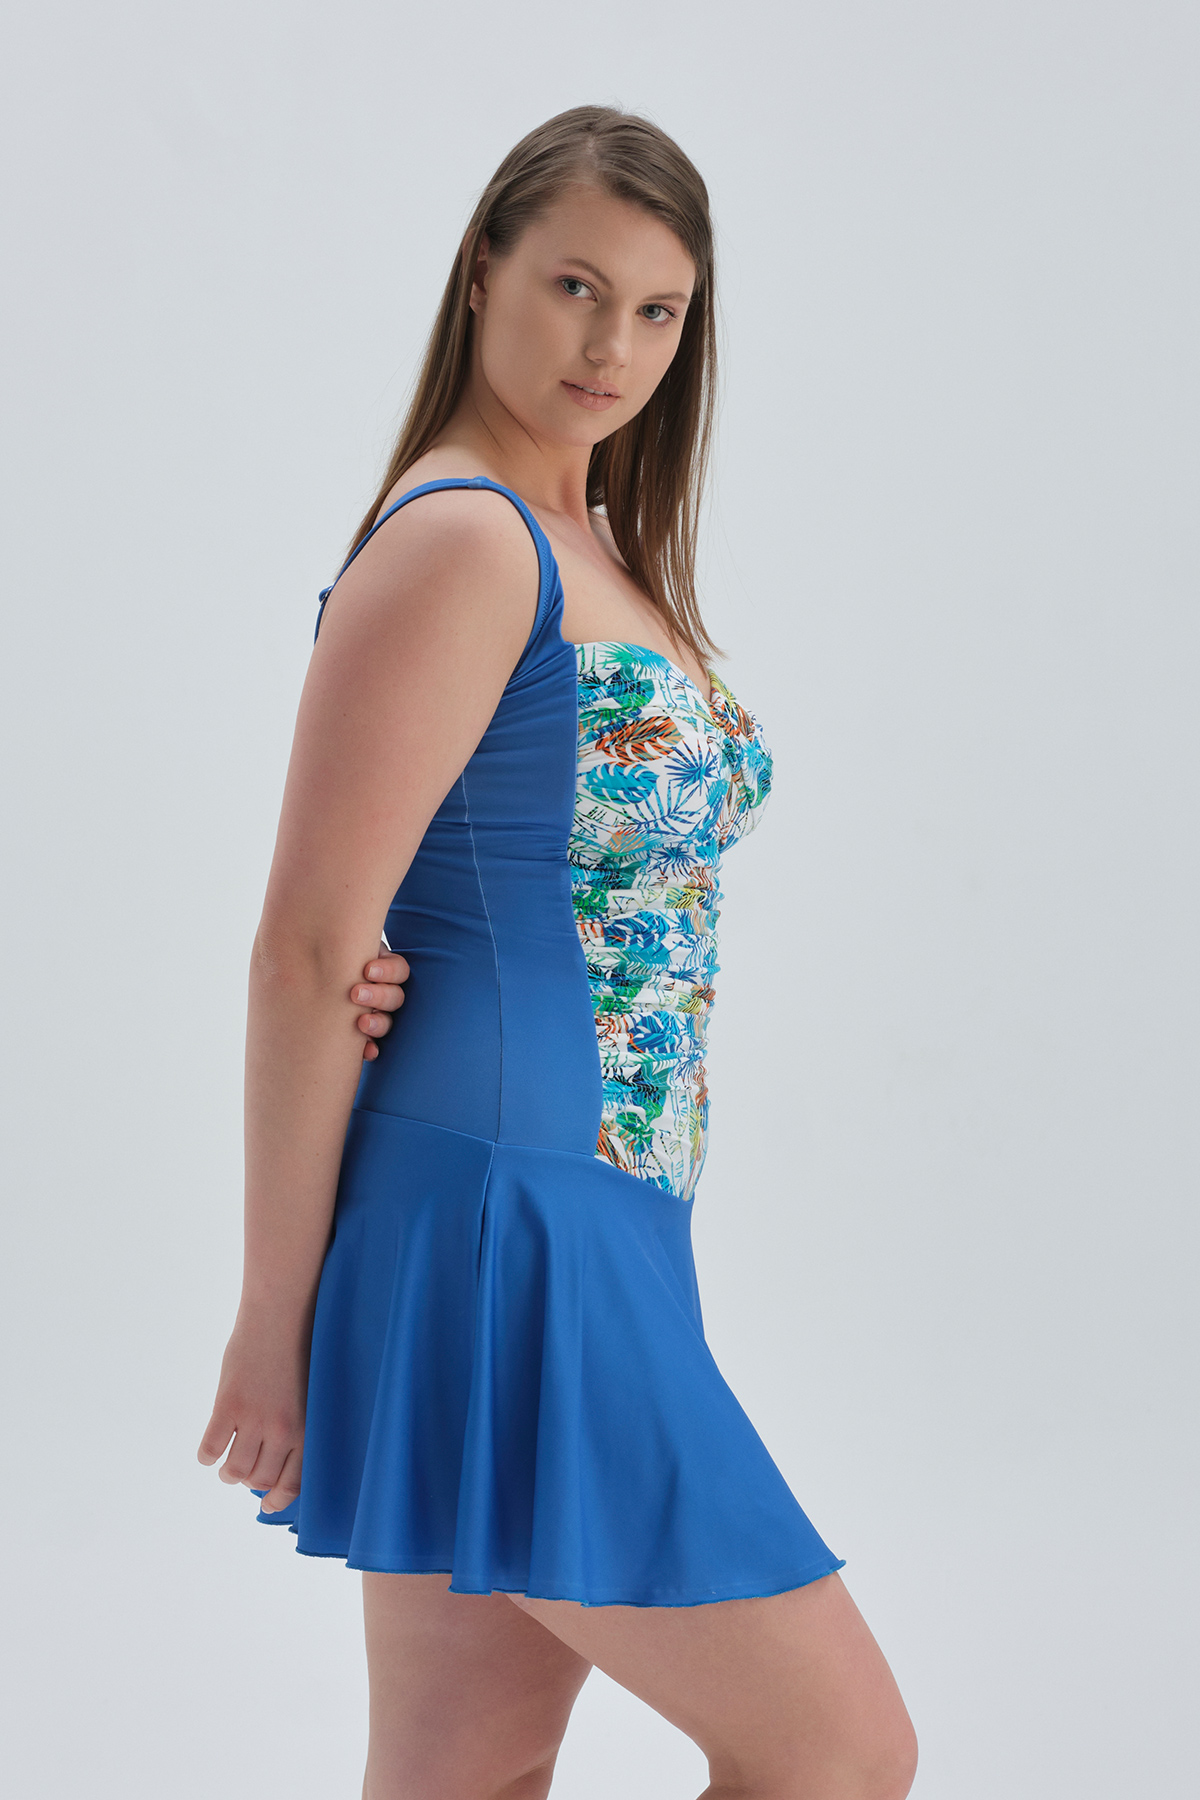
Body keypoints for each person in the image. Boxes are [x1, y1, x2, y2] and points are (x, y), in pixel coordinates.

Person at [197, 105, 918, 1800]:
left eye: (658, 310)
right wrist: (272, 1318)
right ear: (483, 273)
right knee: (838, 1753)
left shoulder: (584, 539)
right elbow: (308, 948)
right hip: (505, 1224)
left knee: (466, 1772)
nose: (613, 347)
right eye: (576, 287)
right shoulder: (465, 540)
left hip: (594, 1216)